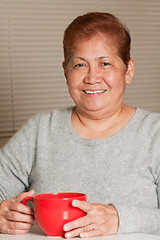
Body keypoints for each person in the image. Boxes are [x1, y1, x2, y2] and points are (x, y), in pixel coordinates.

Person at [0, 11, 160, 238]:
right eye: (79, 65)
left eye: (105, 63)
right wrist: (3, 214)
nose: (92, 77)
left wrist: (121, 218)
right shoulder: (38, 132)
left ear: (129, 70)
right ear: (65, 71)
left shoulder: (155, 134)